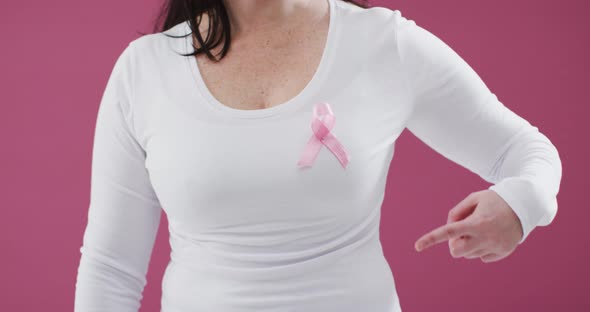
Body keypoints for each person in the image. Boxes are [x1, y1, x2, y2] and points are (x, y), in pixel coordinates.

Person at [74, 0, 563, 311]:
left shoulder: (383, 44)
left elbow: (526, 152)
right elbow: (111, 268)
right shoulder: (145, 69)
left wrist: (522, 204)